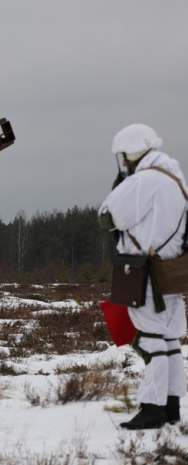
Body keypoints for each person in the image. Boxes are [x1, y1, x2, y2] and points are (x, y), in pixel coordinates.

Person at [99, 123, 187, 430]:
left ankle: (152, 410)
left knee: (150, 339)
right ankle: (172, 407)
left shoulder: (143, 181)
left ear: (135, 152)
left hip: (142, 270)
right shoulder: (176, 178)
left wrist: (119, 186)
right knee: (170, 339)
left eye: (125, 155)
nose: (124, 162)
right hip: (170, 271)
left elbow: (108, 217)